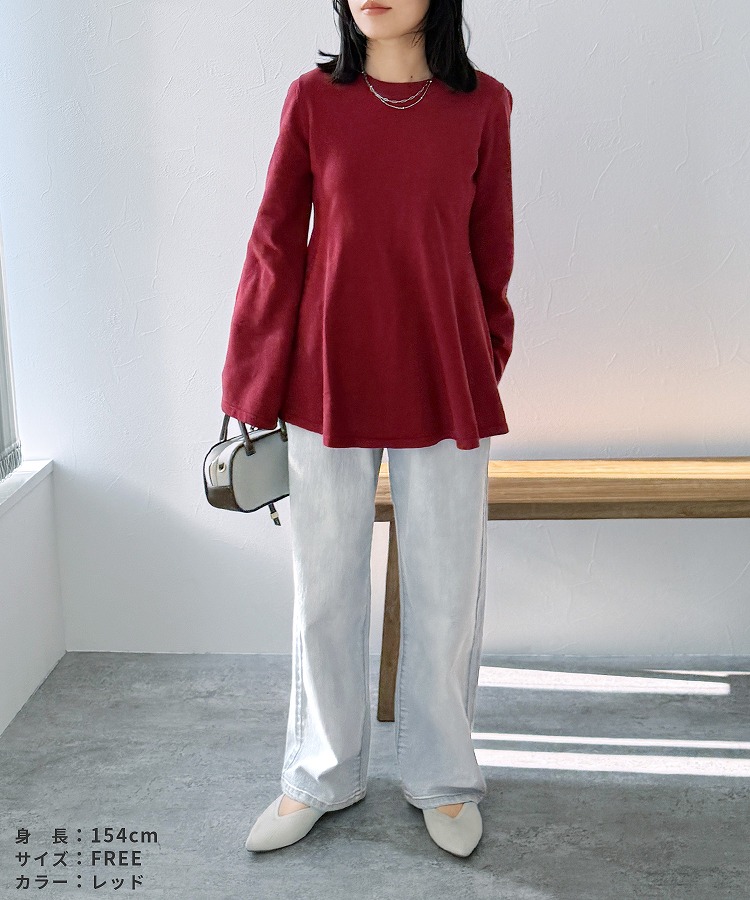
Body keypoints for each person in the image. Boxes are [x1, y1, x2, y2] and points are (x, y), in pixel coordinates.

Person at [221, 0, 515, 858]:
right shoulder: (314, 101)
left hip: (443, 373)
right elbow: (276, 241)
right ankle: (320, 772)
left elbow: (491, 249)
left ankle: (444, 775)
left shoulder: (484, 105)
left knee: (447, 586)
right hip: (326, 377)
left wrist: (482, 355)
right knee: (325, 588)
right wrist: (253, 377)